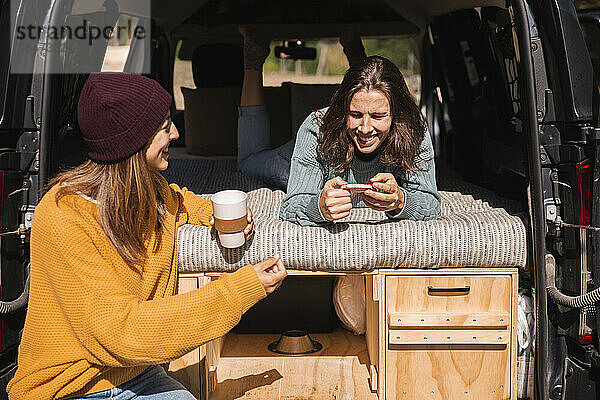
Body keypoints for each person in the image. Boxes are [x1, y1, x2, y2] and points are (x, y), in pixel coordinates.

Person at [7, 73, 287, 400]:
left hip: (136, 372)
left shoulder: (151, 193)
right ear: (135, 141)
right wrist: (239, 291)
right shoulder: (64, 217)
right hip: (72, 387)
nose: (176, 133)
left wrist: (213, 212)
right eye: (166, 125)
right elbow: (122, 332)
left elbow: (180, 200)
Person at [280, 55, 441, 226]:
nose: (365, 128)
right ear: (343, 110)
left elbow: (431, 205)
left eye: (377, 116)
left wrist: (401, 201)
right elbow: (291, 207)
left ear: (397, 114)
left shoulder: (414, 129)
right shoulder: (316, 128)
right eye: (355, 115)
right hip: (285, 162)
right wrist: (317, 207)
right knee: (253, 163)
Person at [236, 27, 367, 190]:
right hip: (308, 159)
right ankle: (358, 60)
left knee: (248, 162)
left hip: (306, 158)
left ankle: (253, 60)